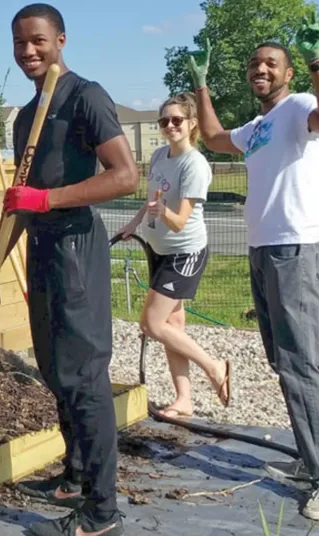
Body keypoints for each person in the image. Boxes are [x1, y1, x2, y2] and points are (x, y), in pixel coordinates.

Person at [0, 4, 139, 535]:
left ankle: (101, 510)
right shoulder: (26, 117)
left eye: (38, 41)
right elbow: (21, 204)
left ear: (61, 40)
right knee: (53, 367)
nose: (28, 51)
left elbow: (125, 177)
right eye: (19, 43)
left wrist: (47, 199)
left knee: (84, 375)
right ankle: (75, 472)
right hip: (41, 247)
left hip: (75, 245)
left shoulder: (85, 97)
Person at [184, 11, 319, 521]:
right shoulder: (259, 126)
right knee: (283, 361)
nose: (261, 69)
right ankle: (312, 455)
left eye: (271, 63)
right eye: (255, 63)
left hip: (295, 249)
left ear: (288, 74)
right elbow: (213, 138)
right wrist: (201, 84)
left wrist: (317, 60)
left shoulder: (301, 105)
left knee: (301, 364)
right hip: (265, 250)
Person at [116, 92, 231, 419]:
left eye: (177, 120)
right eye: (164, 121)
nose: (170, 126)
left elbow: (178, 221)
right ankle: (184, 400)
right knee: (172, 324)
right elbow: (152, 200)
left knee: (152, 323)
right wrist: (134, 223)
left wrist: (161, 212)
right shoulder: (159, 156)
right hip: (159, 250)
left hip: (184, 253)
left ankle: (215, 367)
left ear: (192, 124)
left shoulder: (194, 165)